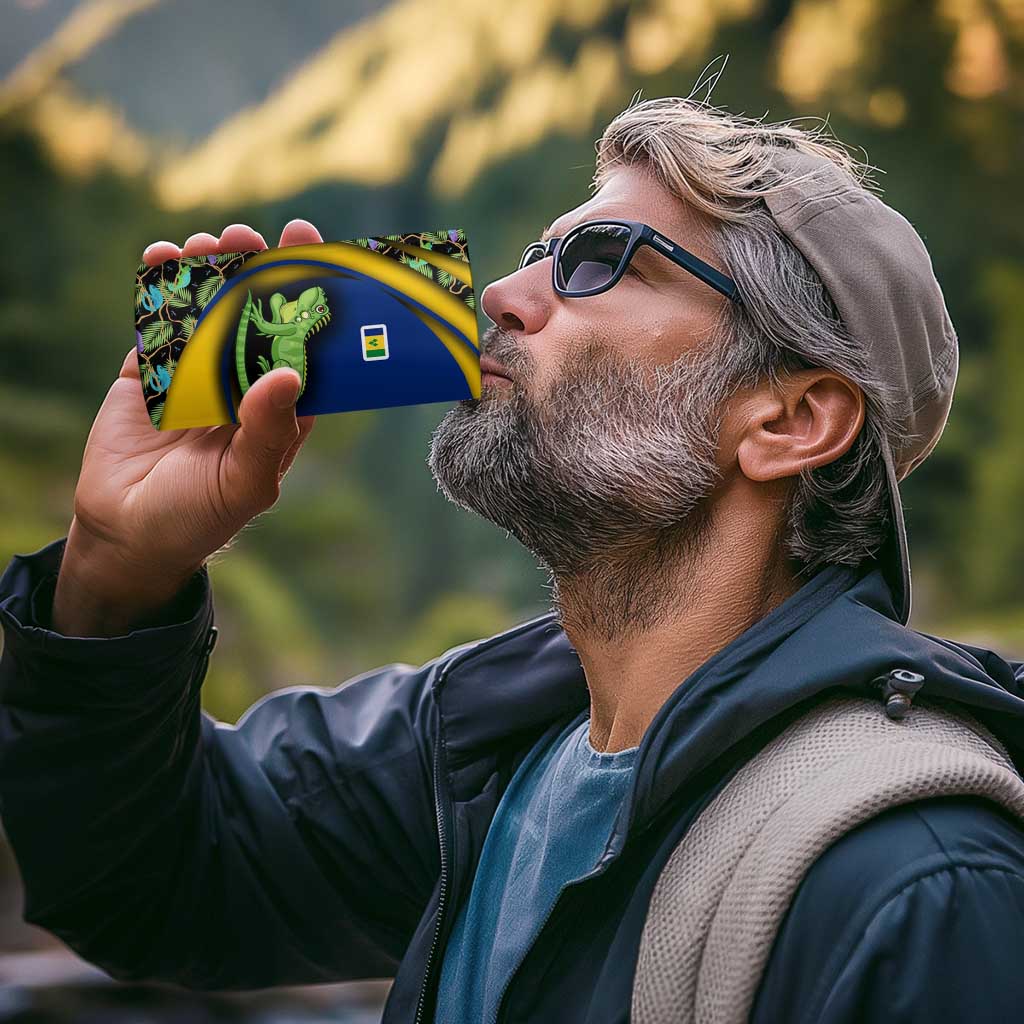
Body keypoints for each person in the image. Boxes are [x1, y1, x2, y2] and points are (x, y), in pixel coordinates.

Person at [2, 95, 1024, 1024]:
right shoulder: (479, 749)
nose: (500, 291)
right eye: (540, 252)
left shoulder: (918, 884)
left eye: (600, 261)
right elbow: (148, 880)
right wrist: (116, 570)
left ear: (791, 419)